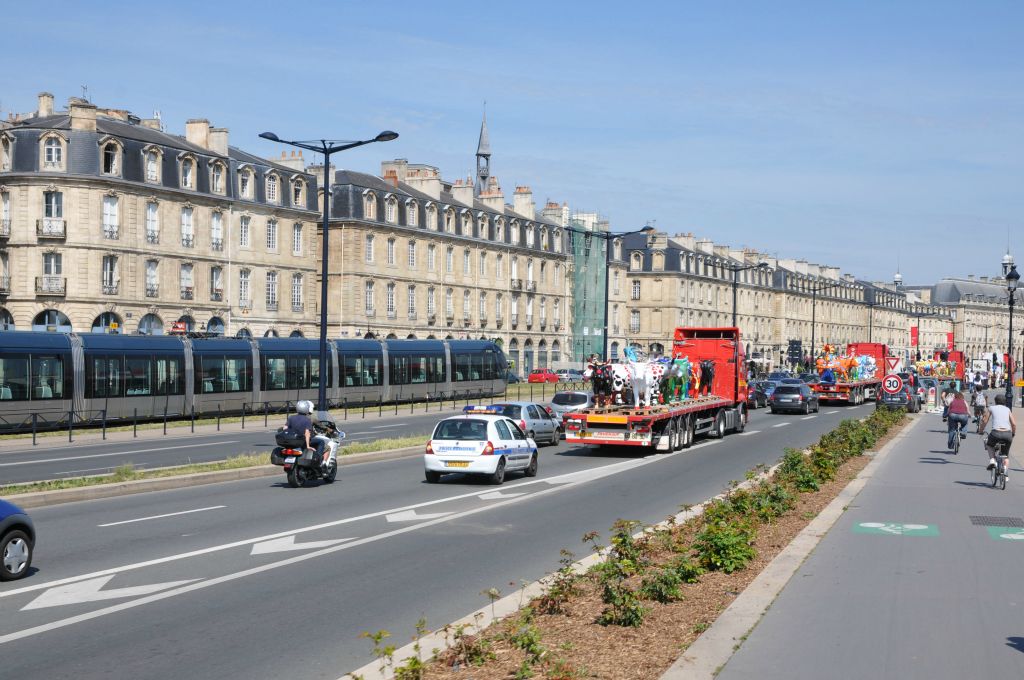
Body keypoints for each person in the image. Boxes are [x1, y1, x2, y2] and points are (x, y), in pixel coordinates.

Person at [980, 393, 1016, 473]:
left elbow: (985, 421)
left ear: (995, 401)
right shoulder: (1007, 409)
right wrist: (1013, 433)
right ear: (1005, 402)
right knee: (1006, 455)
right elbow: (1014, 424)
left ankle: (992, 460)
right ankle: (1005, 474)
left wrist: (981, 430)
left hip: (995, 433)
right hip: (1007, 434)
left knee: (989, 445)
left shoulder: (991, 408)